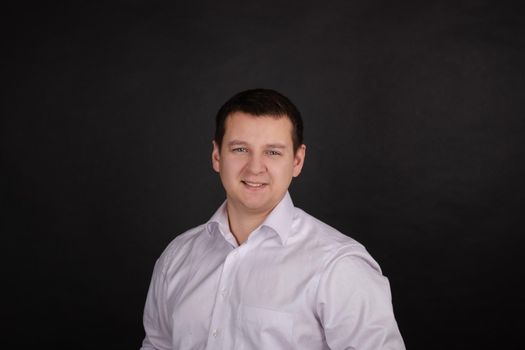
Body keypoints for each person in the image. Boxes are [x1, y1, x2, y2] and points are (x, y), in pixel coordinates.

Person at [140, 88, 405, 349]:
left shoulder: (339, 266)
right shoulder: (177, 257)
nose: (255, 167)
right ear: (217, 156)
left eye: (273, 152)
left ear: (298, 161)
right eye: (240, 149)